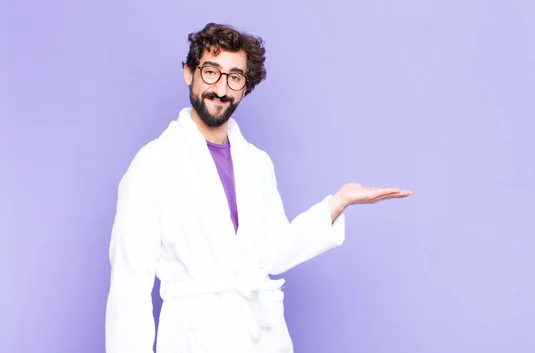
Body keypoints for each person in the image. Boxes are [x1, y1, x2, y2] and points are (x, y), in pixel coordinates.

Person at [105, 22, 412, 353]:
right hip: (194, 337)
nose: (221, 88)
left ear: (245, 88)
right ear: (189, 73)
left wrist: (337, 203)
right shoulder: (152, 165)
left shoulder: (257, 164)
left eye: (235, 78)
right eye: (211, 72)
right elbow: (129, 286)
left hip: (262, 338)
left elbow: (273, 253)